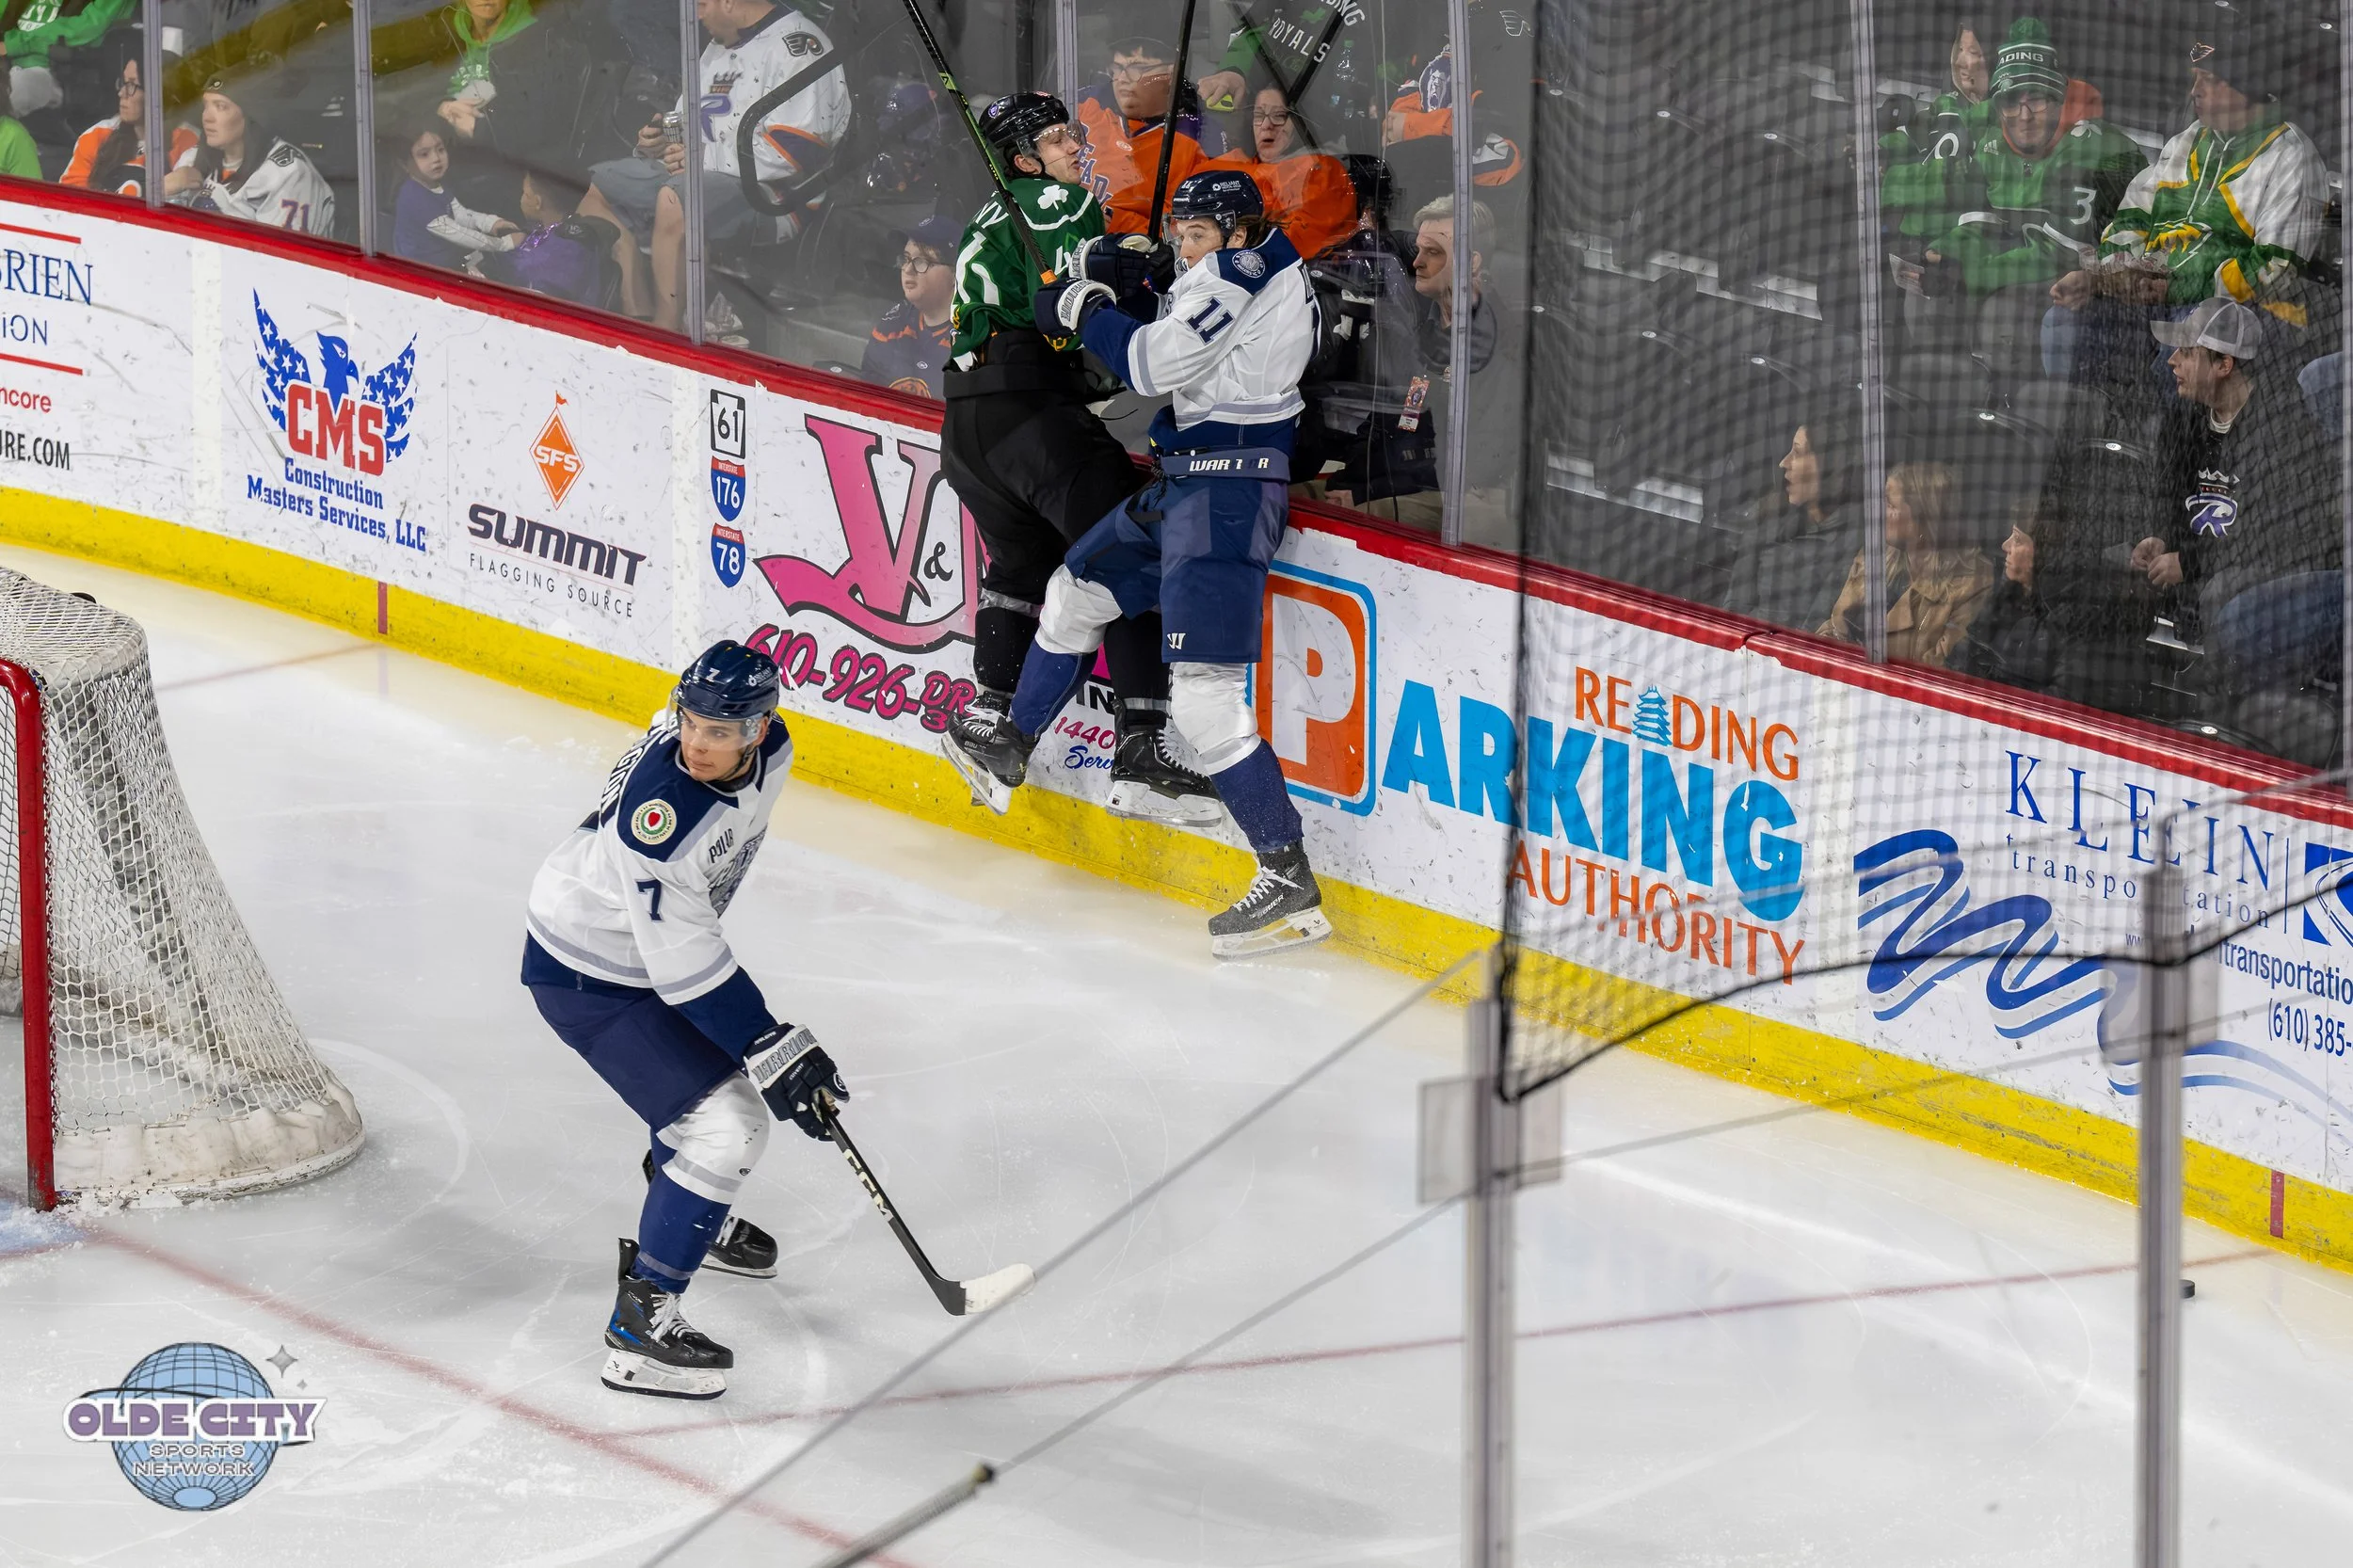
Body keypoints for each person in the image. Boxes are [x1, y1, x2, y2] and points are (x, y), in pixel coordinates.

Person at [943, 169, 1329, 958]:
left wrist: (1091, 307)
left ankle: (1287, 877)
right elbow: (1193, 330)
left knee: (1206, 699)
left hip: (1226, 499)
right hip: (1189, 486)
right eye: (1180, 235)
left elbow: (1152, 368)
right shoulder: (1252, 262)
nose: (1186, 250)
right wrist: (1151, 283)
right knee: (1076, 592)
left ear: (1236, 231)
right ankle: (1013, 741)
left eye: (1194, 236)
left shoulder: (1240, 271)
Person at [522, 641, 848, 1401]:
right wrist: (769, 1043)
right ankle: (641, 1329)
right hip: (589, 974)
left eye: (718, 731)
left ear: (761, 730)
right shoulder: (662, 823)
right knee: (728, 1127)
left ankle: (686, 1203)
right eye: (689, 724)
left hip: (630, 950)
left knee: (704, 1106)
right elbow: (683, 967)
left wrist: (764, 1042)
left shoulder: (776, 753)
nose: (697, 743)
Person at [937, 91, 1217, 827]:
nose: (1075, 150)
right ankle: (1142, 752)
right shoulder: (1057, 201)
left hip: (968, 426)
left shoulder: (989, 214)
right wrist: (1136, 291)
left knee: (1020, 570)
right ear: (1026, 159)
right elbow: (1061, 318)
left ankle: (990, 717)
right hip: (1029, 411)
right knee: (1132, 549)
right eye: (1060, 140)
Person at [2045, 19, 2328, 380]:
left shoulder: (2291, 156)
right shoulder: (2186, 142)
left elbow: (2275, 268)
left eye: (2211, 80)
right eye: (2196, 77)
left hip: (2244, 313)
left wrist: (2175, 288)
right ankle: (2083, 429)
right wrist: (2106, 275)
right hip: (2157, 297)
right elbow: (2132, 218)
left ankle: (2168, 439)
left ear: (2250, 88)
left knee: (2181, 343)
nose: (2196, 90)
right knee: (2063, 320)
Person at [579, 0, 849, 332]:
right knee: (599, 186)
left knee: (676, 198)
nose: (695, 15)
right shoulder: (714, 50)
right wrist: (660, 143)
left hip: (776, 197)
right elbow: (689, 127)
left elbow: (797, 152)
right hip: (699, 174)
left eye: (702, 4)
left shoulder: (801, 47)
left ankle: (667, 331)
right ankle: (638, 313)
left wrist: (698, 156)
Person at [2135, 298, 2338, 698]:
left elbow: (2268, 539)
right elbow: (2170, 494)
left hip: (2270, 567)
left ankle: (2222, 702)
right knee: (2121, 559)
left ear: (2223, 365)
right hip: (2204, 553)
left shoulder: (2282, 429)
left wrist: (2188, 562)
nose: (2171, 361)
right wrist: (2160, 538)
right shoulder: (2185, 417)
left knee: (2222, 589)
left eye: (2187, 353)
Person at [1328, 195, 1517, 548]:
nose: (1416, 262)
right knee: (1287, 496)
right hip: (1393, 484)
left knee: (1327, 521)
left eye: (1433, 252)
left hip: (1459, 501)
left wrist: (1367, 493)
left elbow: (1470, 466)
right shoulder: (1426, 329)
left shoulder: (1495, 344)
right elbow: (1399, 420)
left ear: (1471, 262)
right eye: (1418, 250)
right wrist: (1353, 480)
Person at [1912, 20, 2144, 301]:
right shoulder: (1993, 146)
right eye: (2010, 102)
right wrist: (1947, 252)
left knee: (2008, 309)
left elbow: (2061, 255)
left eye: (2036, 100)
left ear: (2058, 99)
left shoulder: (2092, 152)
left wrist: (1969, 274)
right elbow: (1983, 223)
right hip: (2035, 266)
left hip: (2109, 285)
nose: (2024, 116)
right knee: (1926, 297)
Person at [1818, 460, 1994, 667]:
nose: (1879, 511)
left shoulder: (1971, 583)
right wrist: (1840, 626)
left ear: (1925, 520)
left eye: (1890, 504)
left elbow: (1943, 673)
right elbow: (1828, 634)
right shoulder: (1873, 558)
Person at [1721, 418, 1865, 632]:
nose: (1784, 463)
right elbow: (1732, 610)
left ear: (1831, 467)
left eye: (1797, 452)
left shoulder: (1859, 542)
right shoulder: (1767, 519)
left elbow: (1816, 633)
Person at [1071, 34, 1225, 234]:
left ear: (1172, 73)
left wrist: (1112, 223)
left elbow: (1194, 233)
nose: (1123, 79)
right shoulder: (1084, 102)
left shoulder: (1201, 138)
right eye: (1117, 68)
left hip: (1133, 257)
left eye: (1137, 68)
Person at [164, 70, 335, 237]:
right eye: (205, 106)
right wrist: (162, 189)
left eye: (220, 107)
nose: (207, 117)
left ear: (251, 115)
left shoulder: (290, 174)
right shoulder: (192, 159)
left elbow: (279, 260)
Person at [1218, 85, 1354, 260]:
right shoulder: (1231, 165)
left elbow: (1295, 245)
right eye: (1259, 115)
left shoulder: (1322, 171)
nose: (1267, 125)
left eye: (1279, 116)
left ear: (1300, 124)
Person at [61, 48, 193, 196]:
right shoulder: (97, 135)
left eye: (132, 85)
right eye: (123, 83)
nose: (121, 93)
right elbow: (70, 200)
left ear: (161, 92)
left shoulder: (188, 141)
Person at [1960, 501, 2060, 693]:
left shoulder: (2056, 623)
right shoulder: (2003, 599)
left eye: (2017, 539)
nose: (2005, 546)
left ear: (2043, 552)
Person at [392, 123, 520, 273]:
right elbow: (459, 234)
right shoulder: (413, 198)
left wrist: (491, 223)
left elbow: (460, 214)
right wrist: (502, 244)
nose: (436, 159)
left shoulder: (436, 183)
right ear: (404, 164)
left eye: (440, 150)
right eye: (424, 154)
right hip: (423, 272)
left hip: (446, 259)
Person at [859, 214, 957, 399]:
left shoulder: (972, 341)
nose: (907, 269)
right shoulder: (893, 323)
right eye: (905, 259)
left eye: (922, 261)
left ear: (956, 272)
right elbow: (866, 397)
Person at [483, 168, 607, 305]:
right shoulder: (545, 231)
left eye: (525, 194)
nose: (521, 199)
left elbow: (534, 302)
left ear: (537, 203)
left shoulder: (568, 252)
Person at [0, 0, 134, 122]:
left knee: (12, 93)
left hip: (55, 69)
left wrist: (15, 44)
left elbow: (88, 28)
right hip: (9, 61)